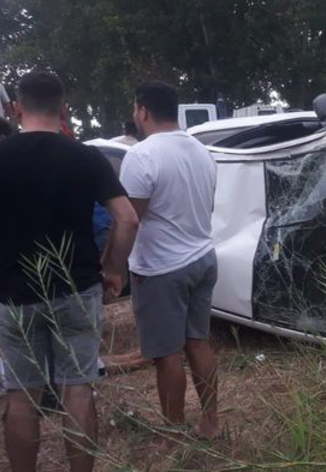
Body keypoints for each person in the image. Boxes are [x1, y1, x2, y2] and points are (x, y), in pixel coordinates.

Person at [0, 71, 139, 472]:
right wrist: (112, 269)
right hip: (78, 289)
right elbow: (126, 220)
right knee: (78, 389)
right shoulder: (87, 156)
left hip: (16, 295)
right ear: (63, 109)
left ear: (16, 108)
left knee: (22, 395)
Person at [118, 81, 220, 438]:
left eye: (135, 109)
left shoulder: (142, 156)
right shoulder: (201, 150)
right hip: (203, 257)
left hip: (162, 268)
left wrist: (113, 268)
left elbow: (131, 221)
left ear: (143, 110)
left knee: (166, 354)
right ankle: (211, 422)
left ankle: (174, 432)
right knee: (198, 342)